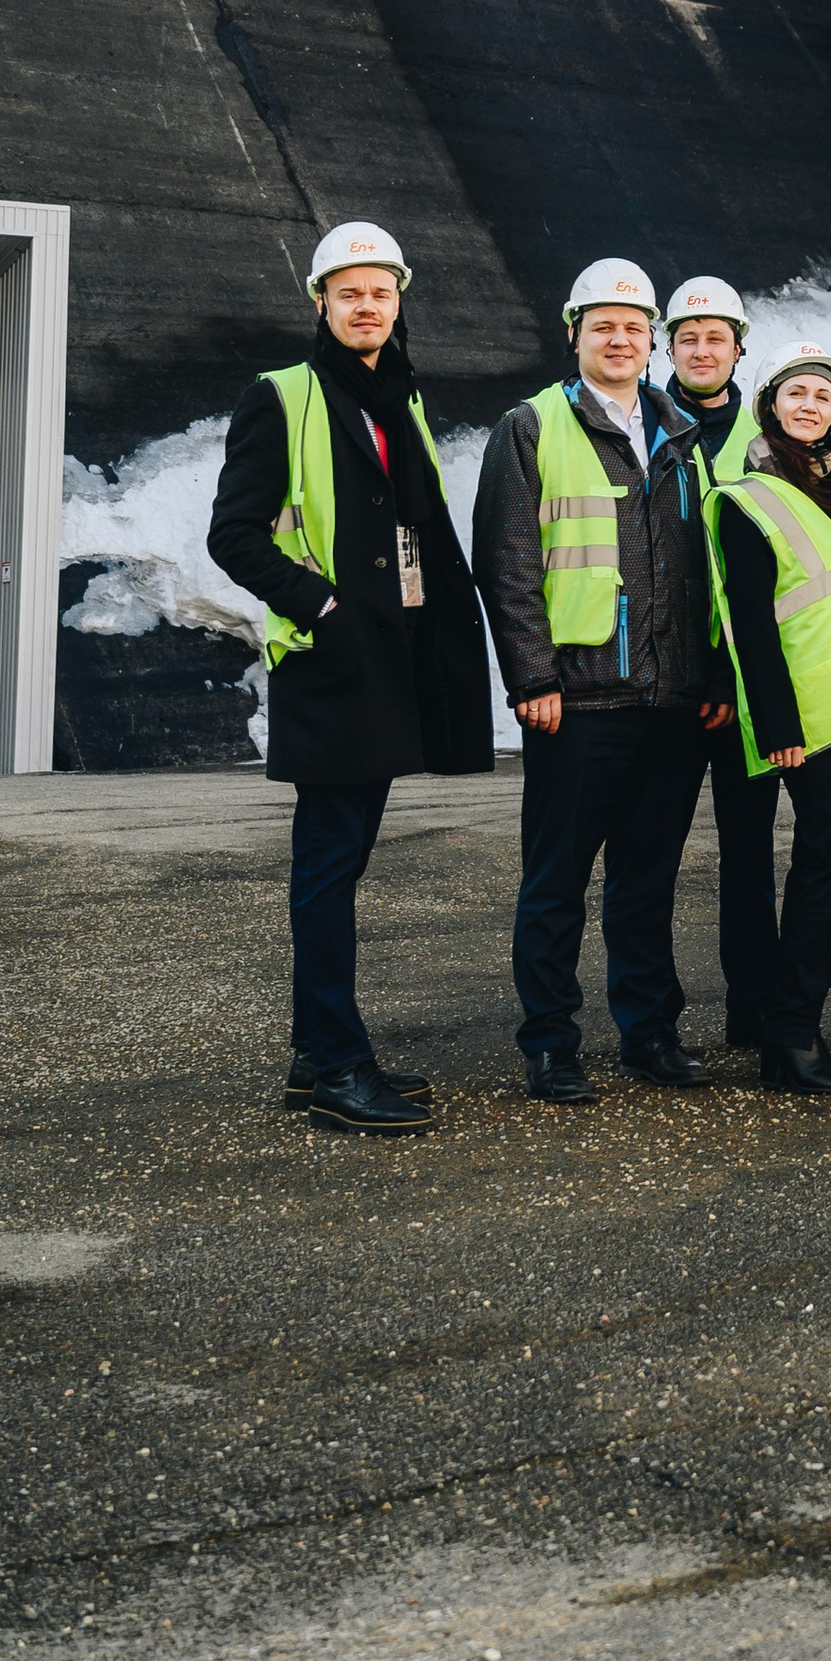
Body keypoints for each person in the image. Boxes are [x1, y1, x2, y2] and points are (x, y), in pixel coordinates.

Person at [207, 220, 494, 1136]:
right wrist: (323, 607)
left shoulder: (397, 400)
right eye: (350, 293)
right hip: (334, 667)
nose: (366, 306)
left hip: (391, 662)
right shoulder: (281, 397)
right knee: (328, 870)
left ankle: (315, 1058)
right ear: (322, 304)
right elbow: (235, 534)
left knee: (341, 863)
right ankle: (334, 1064)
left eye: (381, 293)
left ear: (397, 302)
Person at [471, 255, 732, 1103]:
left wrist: (712, 677)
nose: (619, 339)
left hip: (672, 697)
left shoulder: (680, 436)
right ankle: (550, 1042)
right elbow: (507, 563)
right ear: (575, 334)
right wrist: (530, 679)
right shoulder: (531, 426)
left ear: (651, 339)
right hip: (577, 700)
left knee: (648, 880)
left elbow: (709, 571)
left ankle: (649, 1032)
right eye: (602, 326)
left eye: (632, 327)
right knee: (556, 882)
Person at [707, 340, 831, 1095]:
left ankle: (790, 1032)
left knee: (828, 864)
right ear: (769, 406)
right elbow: (750, 626)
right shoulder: (748, 498)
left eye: (821, 397)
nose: (809, 406)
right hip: (804, 720)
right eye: (796, 394)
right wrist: (776, 726)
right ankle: (788, 1033)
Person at [656, 276, 780, 1051]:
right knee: (651, 858)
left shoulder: (771, 441)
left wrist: (739, 680)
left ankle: (754, 1007)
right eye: (688, 337)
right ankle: (655, 1020)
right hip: (666, 682)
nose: (703, 350)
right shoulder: (639, 426)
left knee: (750, 855)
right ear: (669, 346)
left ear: (740, 347)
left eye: (717, 337)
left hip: (740, 682)